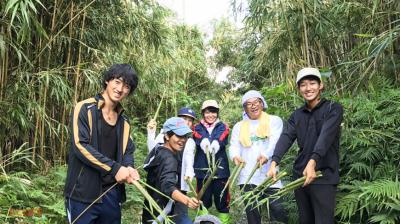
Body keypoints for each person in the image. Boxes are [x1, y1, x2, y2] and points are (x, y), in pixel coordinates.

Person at [64, 64, 140, 224]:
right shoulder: (85, 108)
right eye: (117, 82)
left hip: (111, 195)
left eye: (126, 86)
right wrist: (115, 168)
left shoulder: (124, 121)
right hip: (82, 194)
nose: (120, 89)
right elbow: (80, 145)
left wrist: (128, 167)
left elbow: (127, 151)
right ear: (107, 80)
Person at [267, 67, 343, 224]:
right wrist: (274, 161)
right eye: (303, 85)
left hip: (324, 175)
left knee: (324, 221)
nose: (308, 88)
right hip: (301, 176)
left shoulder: (333, 109)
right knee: (305, 220)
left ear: (320, 85)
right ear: (298, 89)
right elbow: (286, 138)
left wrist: (313, 162)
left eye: (312, 83)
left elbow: (325, 137)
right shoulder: (297, 115)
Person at [229, 90, 287, 224]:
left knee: (278, 211)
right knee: (253, 216)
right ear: (245, 108)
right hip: (247, 177)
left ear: (262, 103)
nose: (253, 106)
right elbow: (234, 146)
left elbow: (276, 142)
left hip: (270, 175)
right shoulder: (239, 126)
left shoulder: (274, 121)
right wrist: (235, 157)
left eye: (256, 102)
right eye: (249, 104)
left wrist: (266, 155)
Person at [142, 117, 200, 223]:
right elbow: (167, 185)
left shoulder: (158, 149)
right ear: (167, 136)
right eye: (178, 135)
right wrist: (187, 200)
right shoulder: (169, 159)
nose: (183, 140)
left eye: (185, 136)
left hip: (151, 211)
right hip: (160, 215)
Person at [192, 100, 230, 224]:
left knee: (222, 199)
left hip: (220, 171)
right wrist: (203, 140)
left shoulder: (222, 126)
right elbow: (196, 135)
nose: (210, 115)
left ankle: (224, 221)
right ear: (203, 113)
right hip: (202, 171)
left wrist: (216, 143)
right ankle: (202, 221)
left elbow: (222, 136)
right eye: (207, 112)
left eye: (213, 112)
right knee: (203, 200)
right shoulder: (197, 127)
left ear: (217, 113)